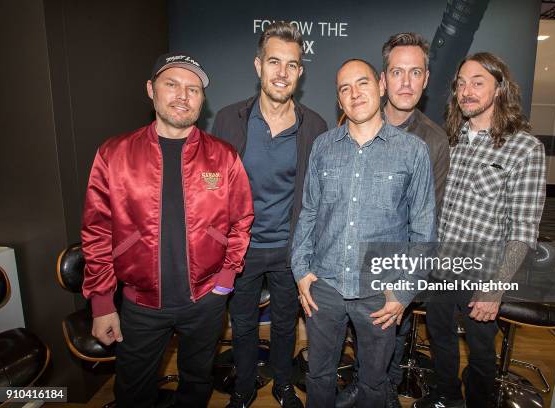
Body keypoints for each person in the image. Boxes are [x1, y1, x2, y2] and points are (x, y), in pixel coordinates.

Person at [81, 52, 254, 408]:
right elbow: (97, 230)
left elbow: (241, 221)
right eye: (171, 84)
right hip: (141, 303)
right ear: (151, 90)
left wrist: (225, 278)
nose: (182, 96)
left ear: (202, 100)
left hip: (206, 300)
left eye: (193, 89)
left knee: (197, 384)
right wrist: (101, 302)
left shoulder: (223, 156)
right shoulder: (114, 154)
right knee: (132, 392)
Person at [292, 58, 436, 408]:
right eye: (345, 88)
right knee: (318, 376)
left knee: (374, 383)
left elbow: (423, 230)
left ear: (381, 86)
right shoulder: (323, 146)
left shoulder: (413, 151)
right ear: (339, 101)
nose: (354, 94)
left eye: (362, 83)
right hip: (323, 287)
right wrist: (301, 270)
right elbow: (308, 211)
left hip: (379, 294)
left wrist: (402, 293)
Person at [412, 52, 546, 408]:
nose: (466, 91)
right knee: (439, 337)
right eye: (461, 83)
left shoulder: (524, 148)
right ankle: (446, 396)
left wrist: (496, 288)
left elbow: (524, 230)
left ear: (500, 89)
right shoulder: (451, 141)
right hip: (441, 268)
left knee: (482, 354)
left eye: (477, 82)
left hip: (482, 275)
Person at [212, 21, 327, 408]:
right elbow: (211, 192)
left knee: (284, 325)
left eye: (291, 64)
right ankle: (244, 386)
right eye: (274, 62)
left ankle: (281, 384)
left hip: (289, 249)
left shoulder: (315, 127)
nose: (282, 72)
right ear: (258, 65)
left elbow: (318, 198)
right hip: (240, 249)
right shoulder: (228, 120)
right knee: (242, 325)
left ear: (300, 72)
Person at [335, 32, 449, 408]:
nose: (406, 82)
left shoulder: (433, 142)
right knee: (356, 340)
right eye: (397, 72)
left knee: (389, 347)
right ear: (382, 80)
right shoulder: (350, 119)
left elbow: (425, 224)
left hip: (396, 269)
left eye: (415, 73)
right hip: (350, 265)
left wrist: (400, 286)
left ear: (426, 79)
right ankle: (366, 385)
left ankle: (383, 391)